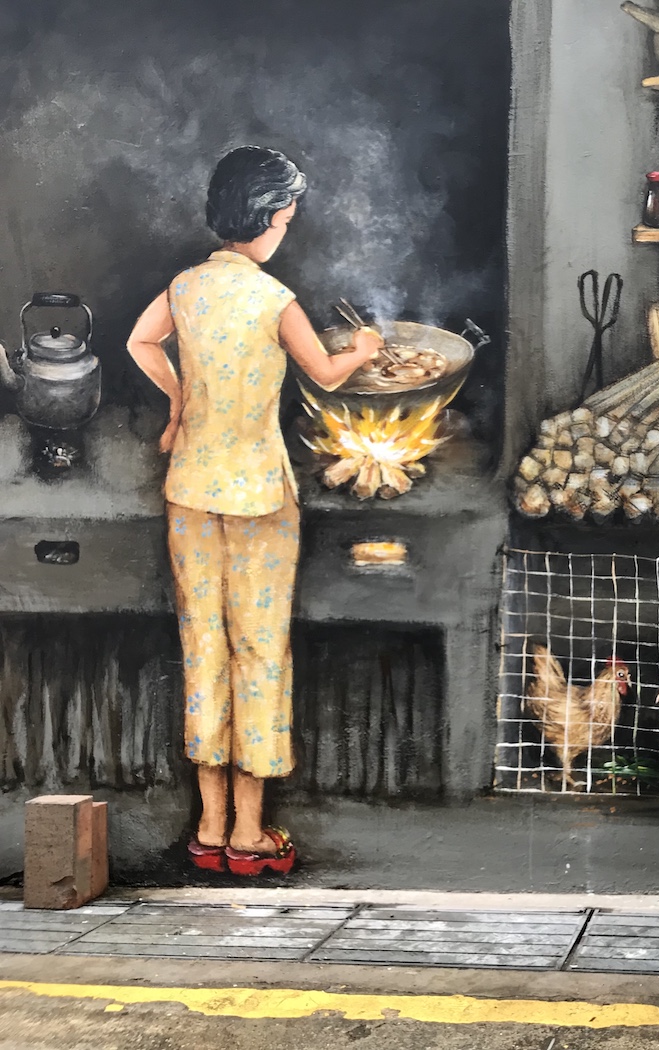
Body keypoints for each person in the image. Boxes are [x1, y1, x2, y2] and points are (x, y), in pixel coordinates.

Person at [126, 146, 383, 876]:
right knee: (259, 655)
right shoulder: (274, 301)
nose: (287, 231)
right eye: (288, 219)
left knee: (203, 650)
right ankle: (249, 833)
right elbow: (328, 375)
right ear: (268, 218)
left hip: (190, 493)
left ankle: (207, 829)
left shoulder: (185, 287)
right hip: (259, 499)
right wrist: (364, 345)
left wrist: (179, 402)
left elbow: (139, 342)